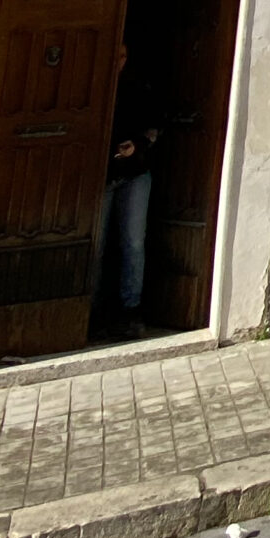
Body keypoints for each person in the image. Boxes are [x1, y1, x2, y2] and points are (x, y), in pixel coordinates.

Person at [102, 44, 164, 337]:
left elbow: (154, 126)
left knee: (133, 242)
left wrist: (137, 145)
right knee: (96, 243)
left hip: (135, 172)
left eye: (124, 55)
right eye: (115, 54)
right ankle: (87, 309)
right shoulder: (91, 82)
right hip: (99, 176)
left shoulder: (139, 86)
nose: (119, 61)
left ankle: (131, 308)